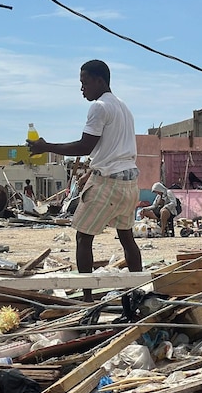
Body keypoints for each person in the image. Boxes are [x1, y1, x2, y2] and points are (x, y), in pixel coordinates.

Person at [27, 59, 142, 302]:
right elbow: (110, 148)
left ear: (100, 81)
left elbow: (84, 145)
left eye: (85, 82)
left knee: (83, 236)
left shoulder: (99, 107)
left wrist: (45, 146)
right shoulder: (124, 108)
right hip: (130, 183)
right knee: (126, 237)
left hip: (108, 184)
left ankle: (87, 298)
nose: (82, 88)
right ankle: (138, 291)